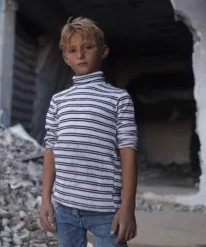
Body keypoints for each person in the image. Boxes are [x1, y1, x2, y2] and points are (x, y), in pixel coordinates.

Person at [39, 17, 138, 246]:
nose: (80, 55)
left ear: (103, 51)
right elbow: (50, 150)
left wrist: (127, 207)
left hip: (105, 211)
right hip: (64, 208)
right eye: (72, 50)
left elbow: (128, 152)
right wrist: (46, 199)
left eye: (87, 47)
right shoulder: (58, 101)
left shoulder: (118, 98)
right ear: (65, 58)